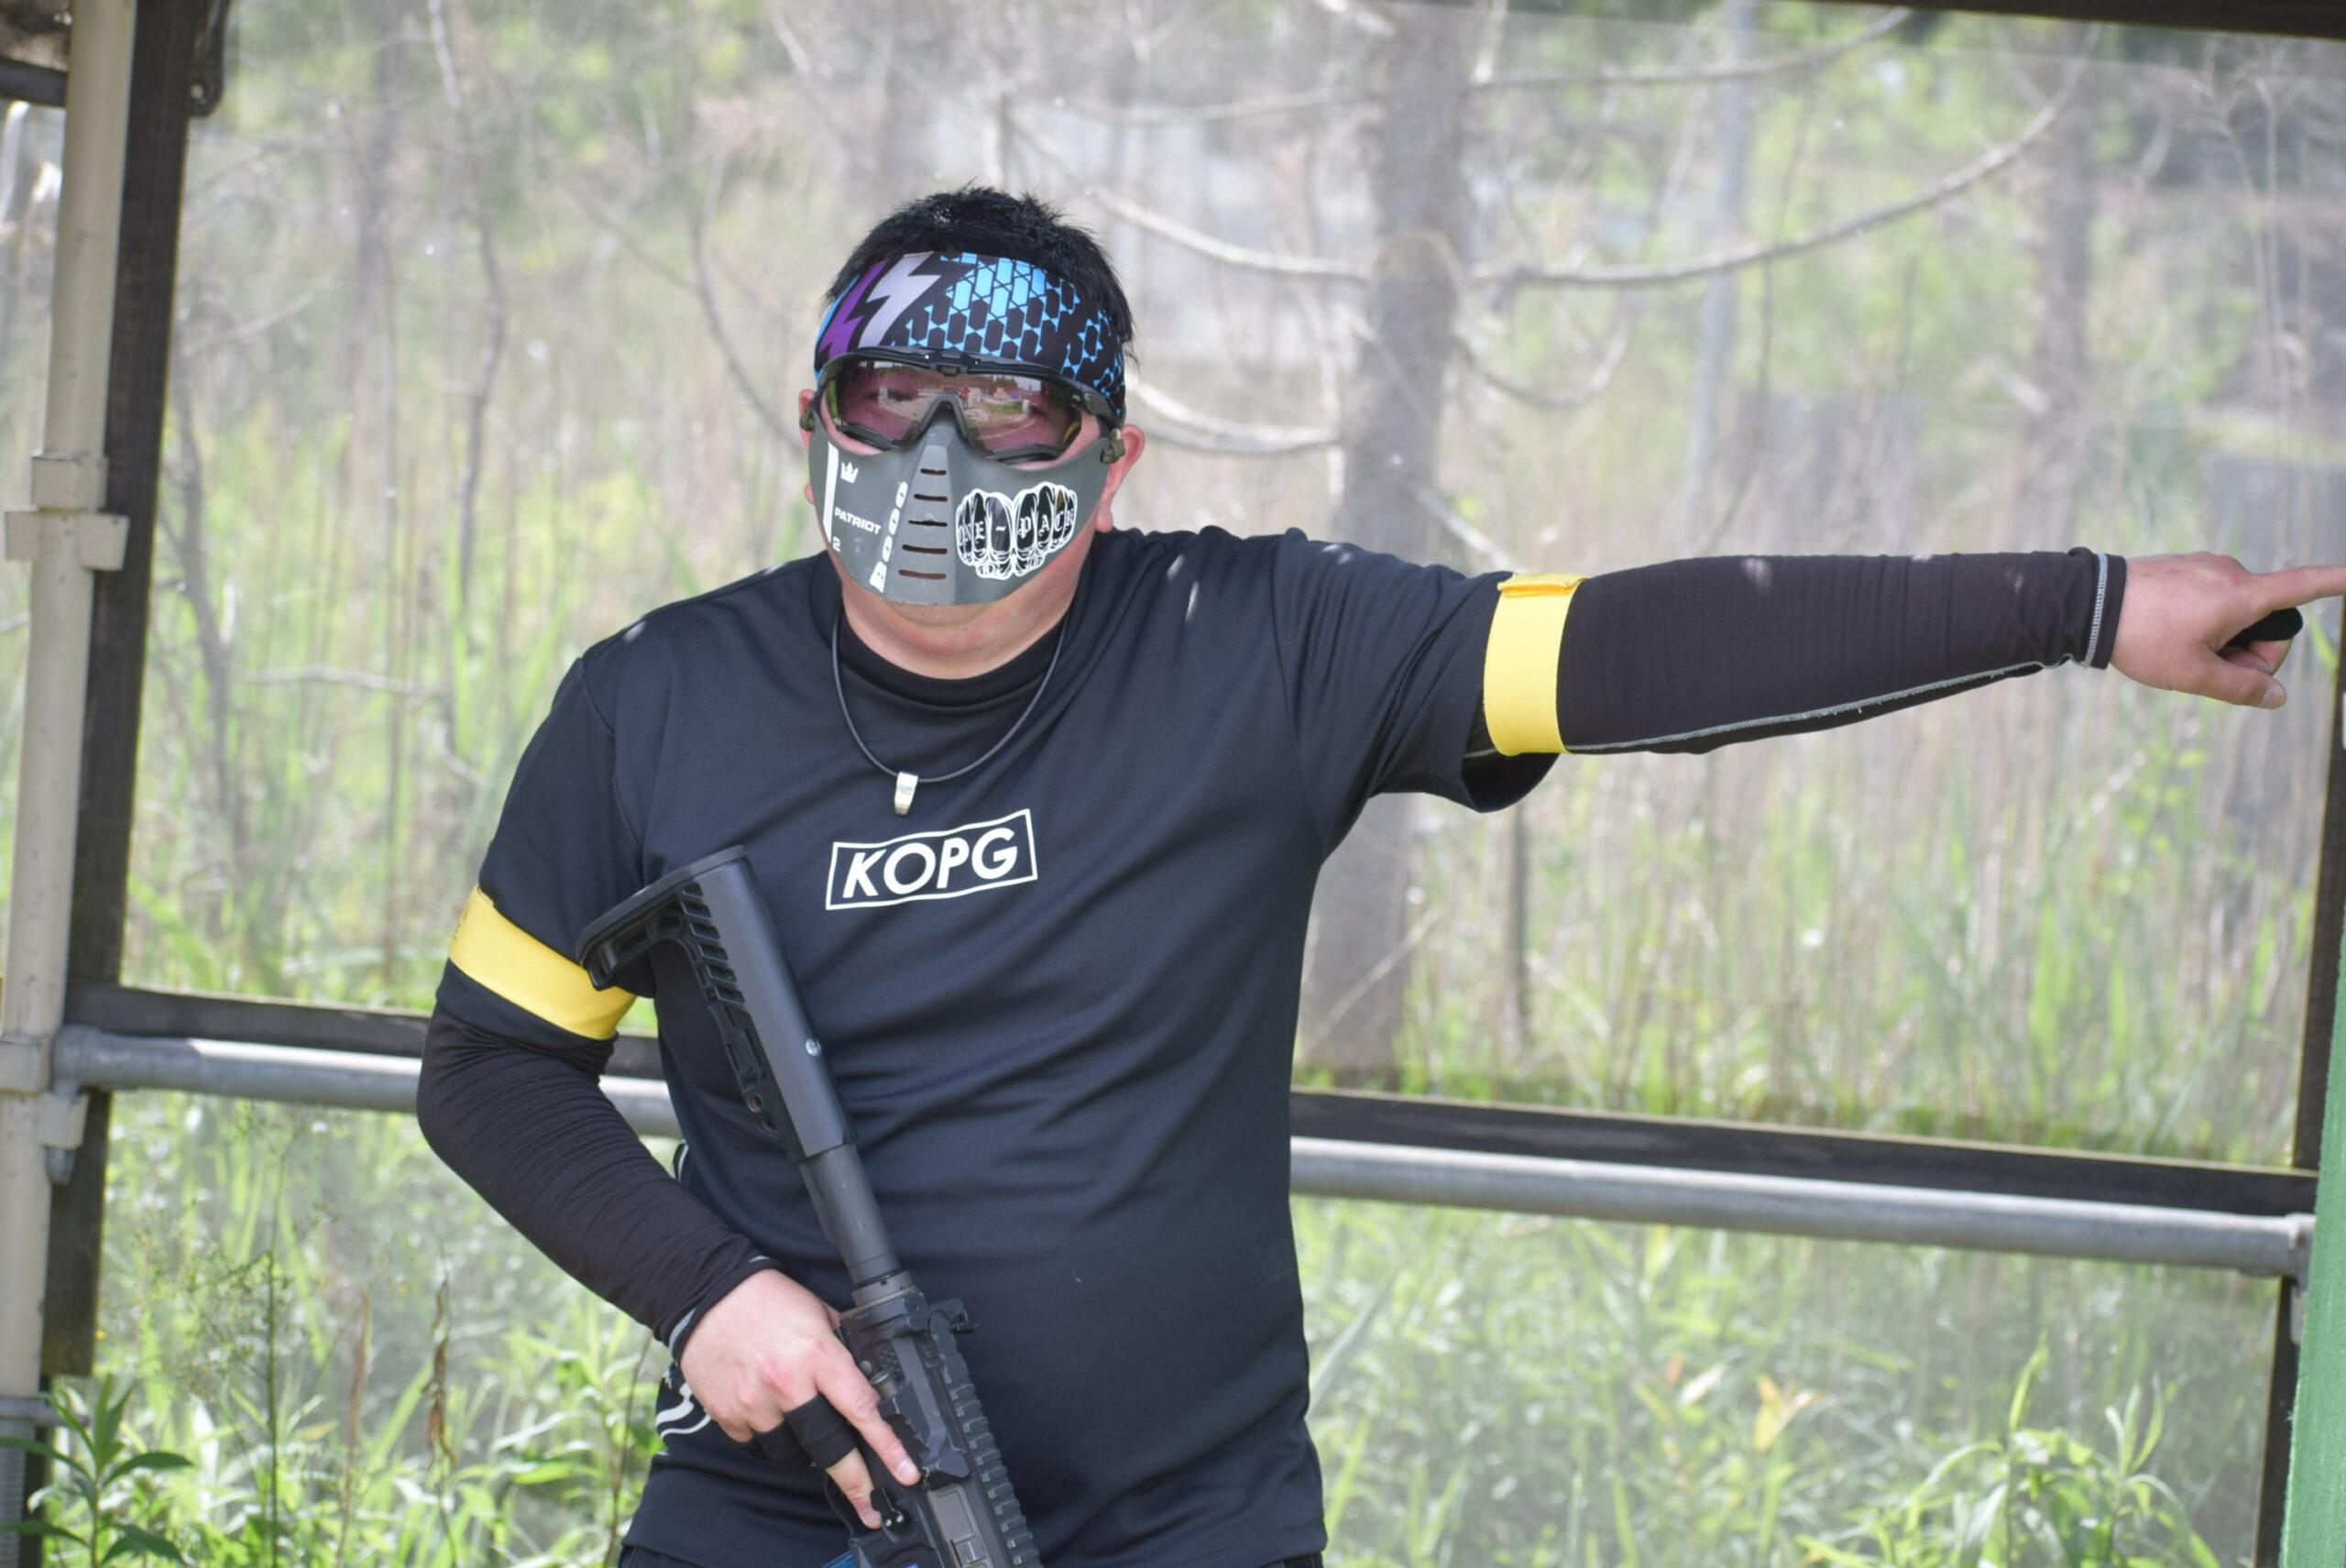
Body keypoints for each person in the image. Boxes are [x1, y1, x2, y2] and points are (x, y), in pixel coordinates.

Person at [415, 186, 2345, 1568]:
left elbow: (1653, 646)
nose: (938, 448)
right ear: (815, 418)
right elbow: (492, 1067)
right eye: (888, 393)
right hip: (784, 1499)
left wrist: (2091, 606)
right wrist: (712, 1296)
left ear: (1111, 457)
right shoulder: (652, 701)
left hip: (1191, 1517)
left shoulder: (1258, 640)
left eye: (1007, 409)